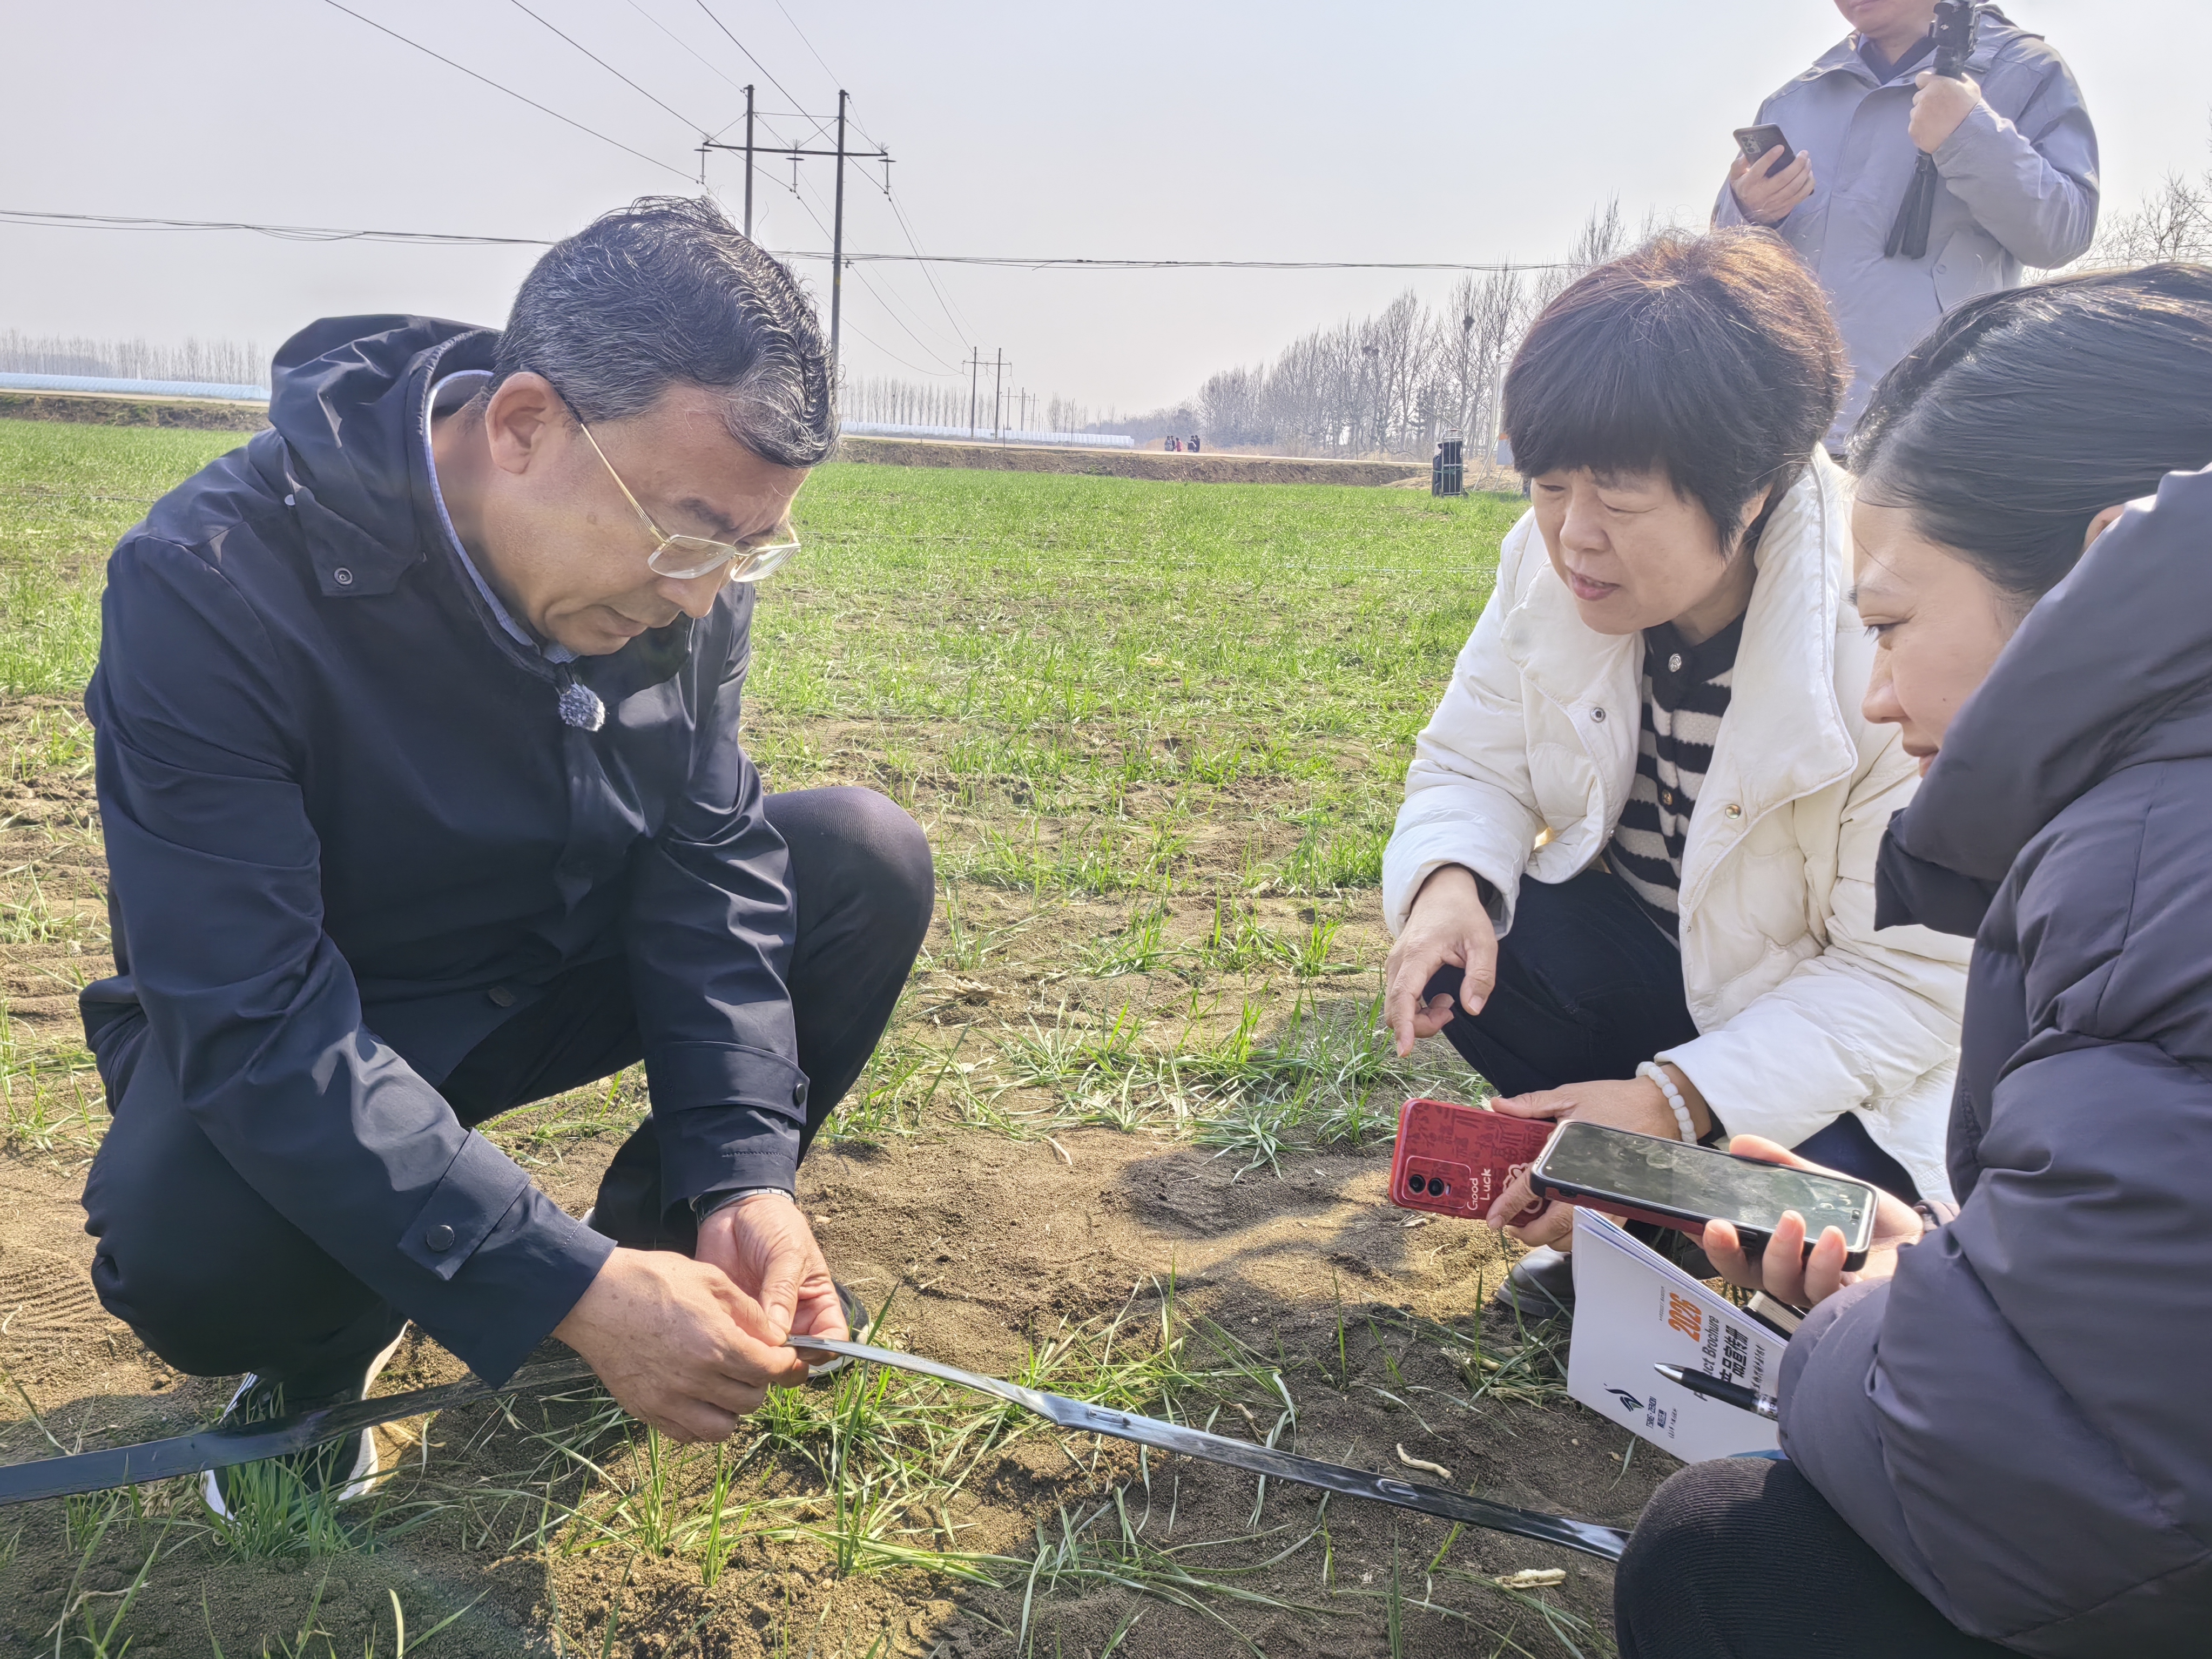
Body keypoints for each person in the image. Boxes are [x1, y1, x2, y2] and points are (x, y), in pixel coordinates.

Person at [76, 198, 935, 1510]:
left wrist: (742, 1171)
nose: (703, 593)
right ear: (523, 425)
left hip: (545, 962)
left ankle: (673, 1263)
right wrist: (555, 1279)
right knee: (192, 1243)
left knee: (859, 857)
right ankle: (327, 1354)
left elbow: (706, 868)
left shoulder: (678, 576)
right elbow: (251, 1014)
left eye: (749, 551)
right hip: (328, 1014)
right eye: (689, 534)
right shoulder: (211, 578)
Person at [1614, 265, 2212, 1657]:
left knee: (1726, 1559)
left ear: (2091, 575)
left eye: (1888, 627)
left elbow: (2072, 1497)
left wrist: (1866, 1330)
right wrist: (1956, 1271)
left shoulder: (2141, 874)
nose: (1877, 693)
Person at [1379, 228, 1970, 1319]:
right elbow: (1470, 761)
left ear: (1753, 489)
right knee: (1484, 941)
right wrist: (1447, 883)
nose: (1573, 536)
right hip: (1670, 977)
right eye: (1549, 484)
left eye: (1619, 498)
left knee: (1828, 1209)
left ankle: (1663, 1210)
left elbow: (1906, 980)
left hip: (1844, 1057)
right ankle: (1640, 1211)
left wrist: (1672, 1102)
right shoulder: (1547, 566)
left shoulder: (1881, 635)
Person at [1717, 0, 2098, 450]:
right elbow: (1721, 258)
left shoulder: (2027, 71)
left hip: (1931, 437)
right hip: (1783, 435)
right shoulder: (1794, 100)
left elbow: (2064, 234)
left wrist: (1968, 132)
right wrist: (1748, 212)